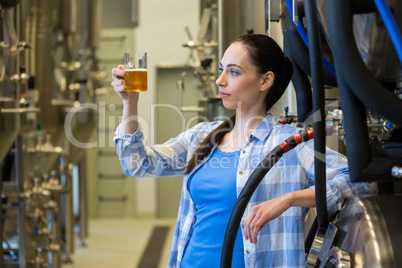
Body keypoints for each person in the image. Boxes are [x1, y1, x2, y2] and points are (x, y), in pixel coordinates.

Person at [111, 34, 377, 268]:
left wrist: (289, 199)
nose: (220, 80)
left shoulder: (289, 144)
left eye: (234, 72)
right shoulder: (202, 136)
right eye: (221, 70)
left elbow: (361, 180)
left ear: (265, 81)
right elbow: (136, 163)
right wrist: (130, 103)